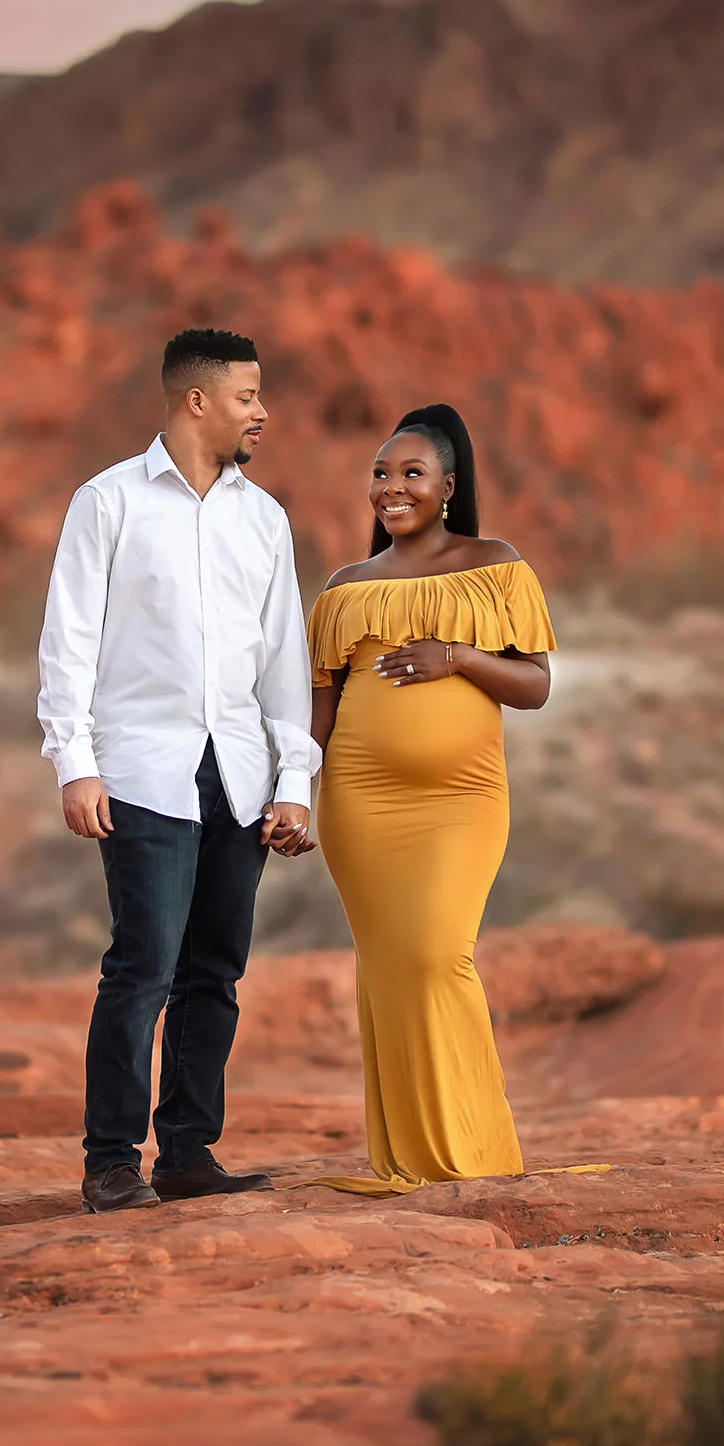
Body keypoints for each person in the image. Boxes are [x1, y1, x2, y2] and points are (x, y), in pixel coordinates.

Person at [38, 328, 321, 1215]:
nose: (262, 412)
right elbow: (69, 639)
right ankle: (112, 1159)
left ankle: (190, 1152)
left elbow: (283, 659)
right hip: (143, 770)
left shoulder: (264, 517)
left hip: (236, 772)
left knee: (216, 971)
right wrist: (74, 763)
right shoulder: (108, 501)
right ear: (197, 400)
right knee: (143, 965)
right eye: (248, 397)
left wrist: (293, 780)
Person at [304, 404, 554, 1194]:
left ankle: (467, 1153)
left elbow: (537, 685)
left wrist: (459, 655)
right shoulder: (347, 586)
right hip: (360, 799)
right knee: (387, 967)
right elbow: (319, 711)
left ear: (448, 485)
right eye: (380, 473)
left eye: (411, 473)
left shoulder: (496, 564)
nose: (391, 488)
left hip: (461, 797)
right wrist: (290, 796)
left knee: (437, 955)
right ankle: (409, 1155)